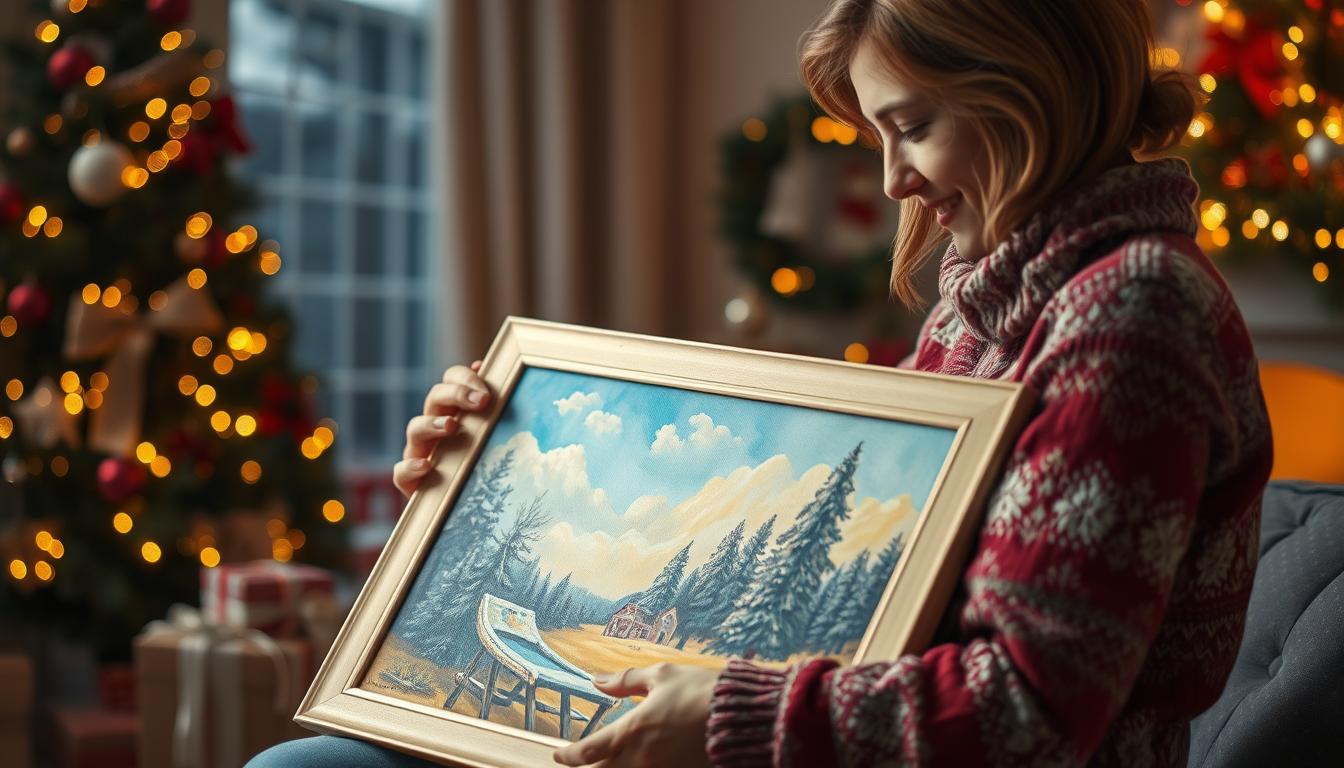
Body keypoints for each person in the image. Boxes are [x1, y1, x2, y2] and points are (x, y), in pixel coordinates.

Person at [250, 0, 1272, 765]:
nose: (890, 182)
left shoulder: (1130, 312)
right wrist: (488, 466)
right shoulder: (987, 296)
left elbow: (1029, 714)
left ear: (1028, 87)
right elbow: (892, 596)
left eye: (910, 125)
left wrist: (730, 711)